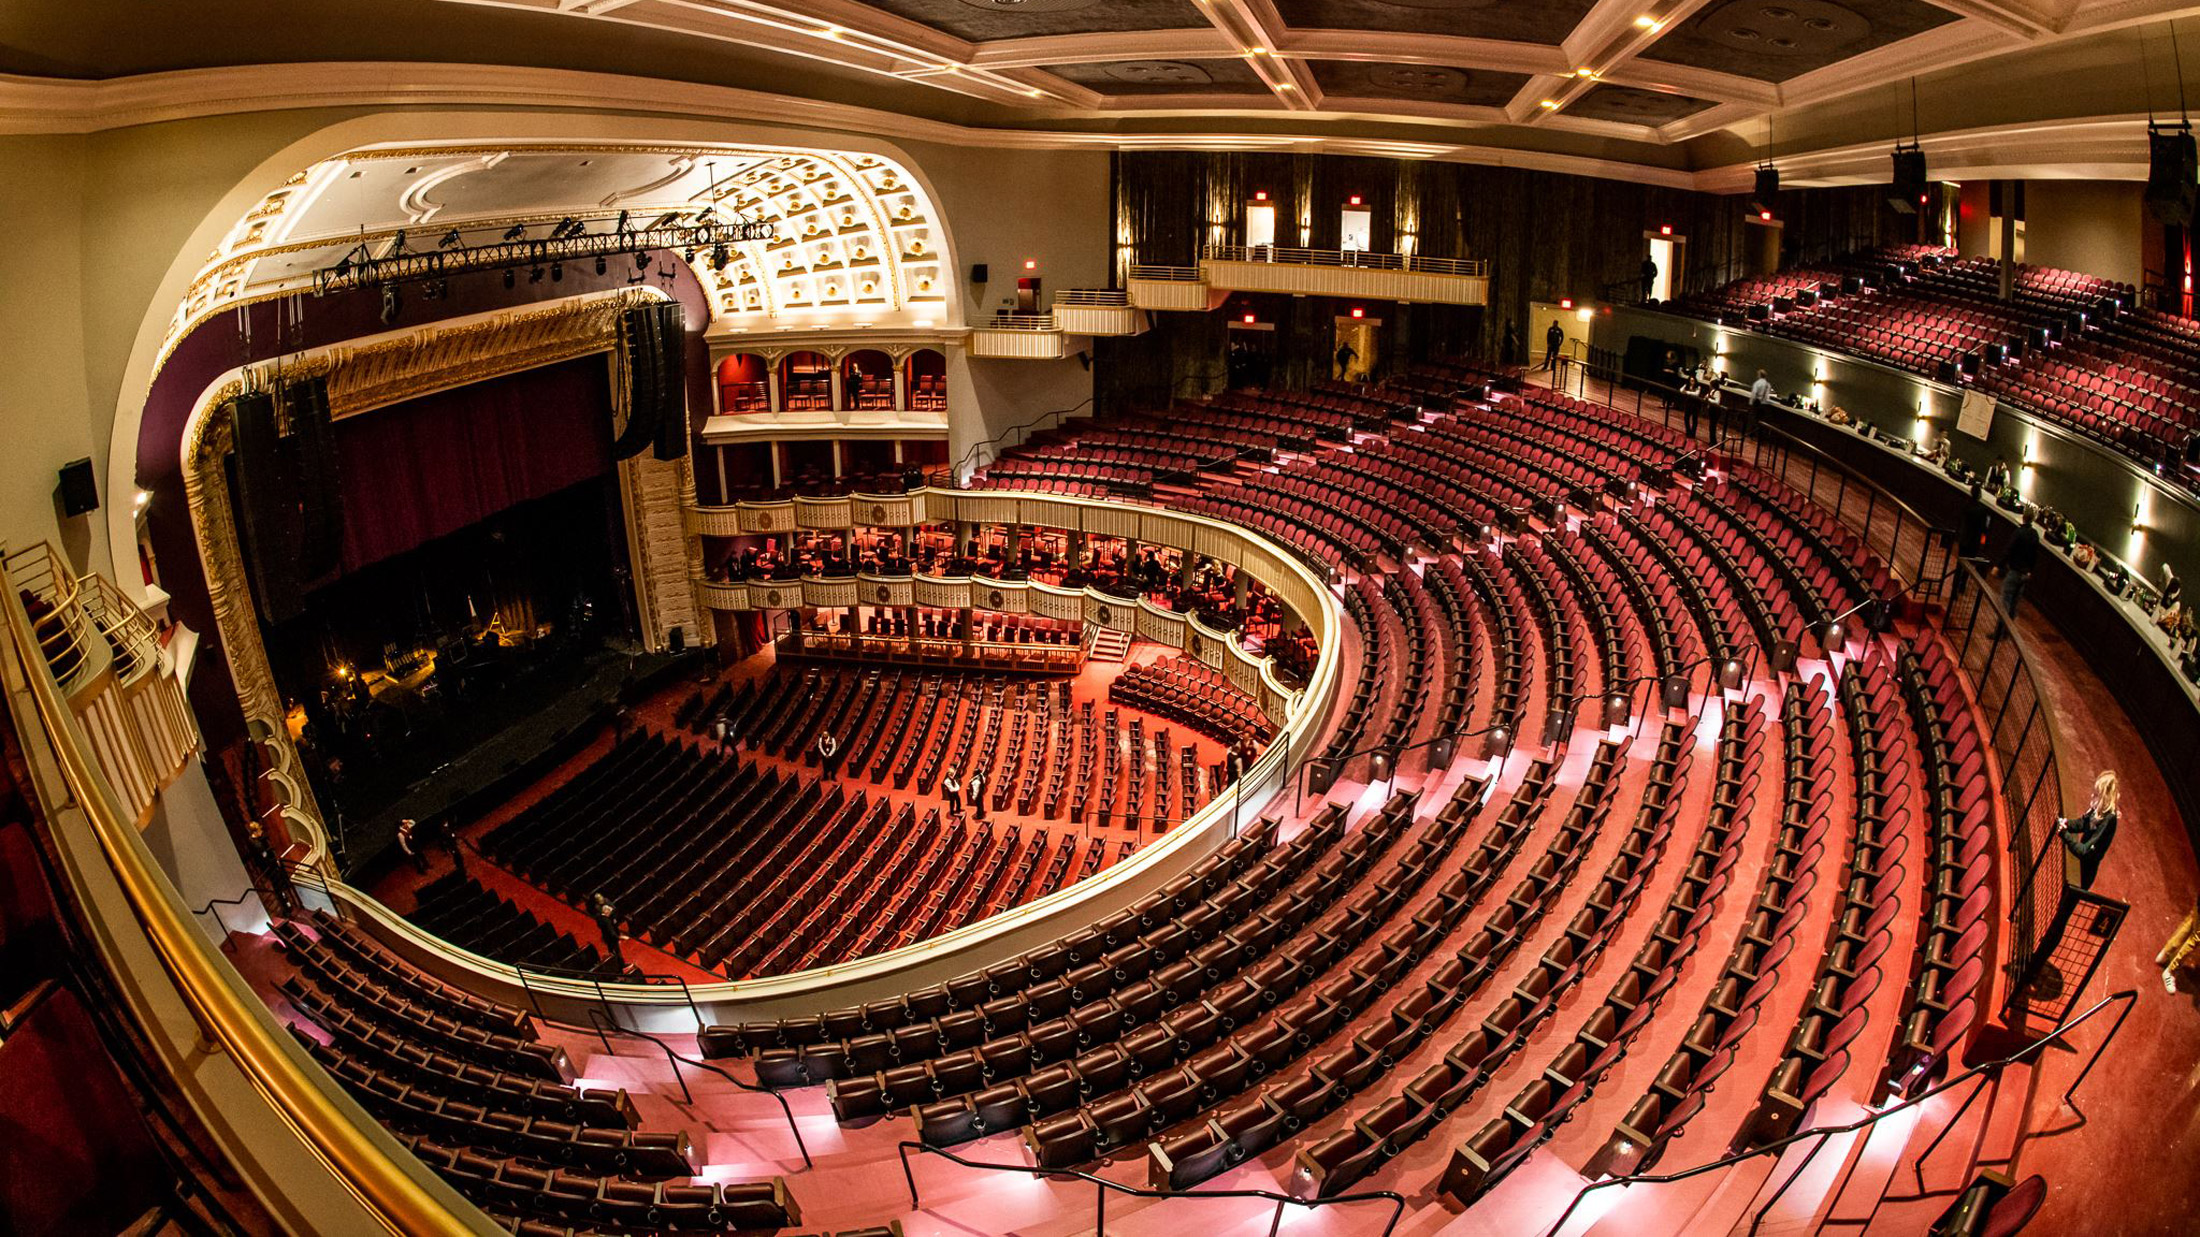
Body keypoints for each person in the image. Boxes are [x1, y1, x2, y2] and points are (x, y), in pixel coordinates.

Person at [2059, 770, 2120, 890]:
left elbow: (2084, 851)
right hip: (2080, 863)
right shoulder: (2098, 809)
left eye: (2096, 794)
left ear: (2104, 797)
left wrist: (2065, 834)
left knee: (2068, 899)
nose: (2092, 796)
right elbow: (2083, 824)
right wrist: (2066, 822)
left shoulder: (2108, 820)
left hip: (2085, 872)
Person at [1997, 510, 2040, 614]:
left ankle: (2000, 628)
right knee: (2014, 603)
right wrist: (2030, 571)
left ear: (2023, 517)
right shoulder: (2035, 534)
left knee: (2005, 600)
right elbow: (2035, 555)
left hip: (2015, 570)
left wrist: (1999, 565)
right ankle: (2008, 628)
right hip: (2025, 574)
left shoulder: (2019, 532)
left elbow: (2009, 549)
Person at [1957, 482, 1993, 561]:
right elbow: (1984, 528)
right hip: (1974, 542)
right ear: (1979, 495)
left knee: (1960, 561)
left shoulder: (1966, 505)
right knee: (1969, 563)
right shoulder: (1983, 511)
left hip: (1964, 539)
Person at [590, 892, 624, 961]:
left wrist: (613, 916)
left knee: (614, 932)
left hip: (611, 920)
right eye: (599, 899)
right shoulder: (598, 910)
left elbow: (614, 909)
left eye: (601, 898)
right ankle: (617, 960)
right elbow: (602, 922)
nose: (601, 900)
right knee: (612, 944)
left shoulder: (606, 900)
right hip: (607, 928)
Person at [1746, 369, 1773, 434]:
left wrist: (1750, 403)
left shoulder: (1757, 383)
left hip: (1757, 402)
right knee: (1760, 420)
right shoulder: (1768, 384)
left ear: (1759, 375)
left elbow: (1754, 394)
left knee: (1753, 418)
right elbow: (1767, 396)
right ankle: (1758, 434)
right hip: (1764, 404)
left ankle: (1750, 433)